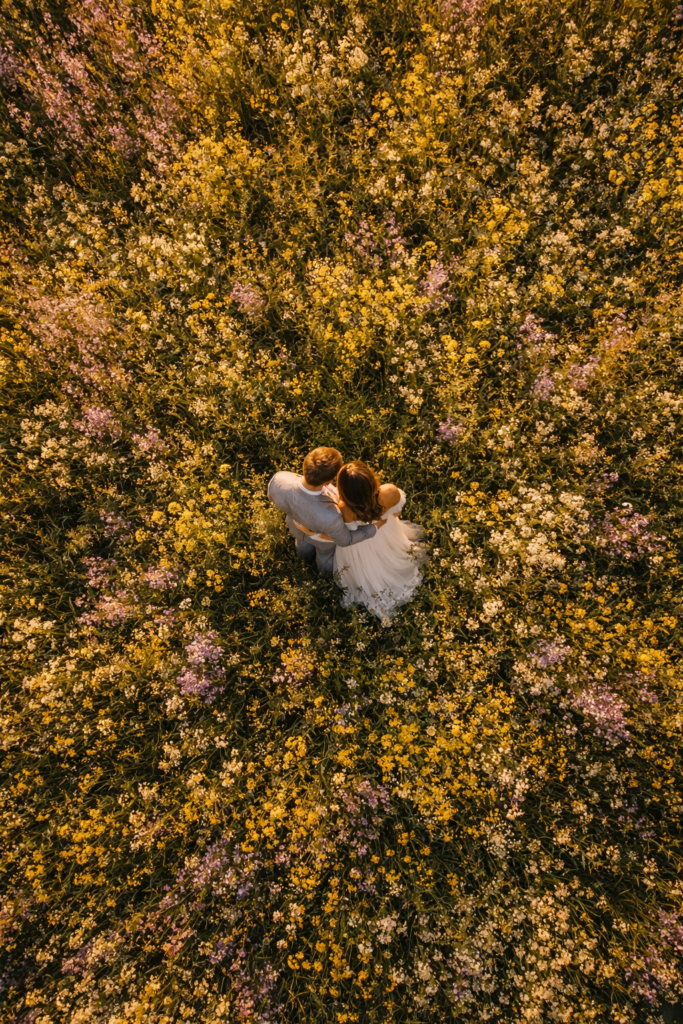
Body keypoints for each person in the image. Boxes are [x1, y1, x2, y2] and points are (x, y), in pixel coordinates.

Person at [295, 461, 428, 621]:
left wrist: (310, 532)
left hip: (360, 544)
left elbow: (350, 532)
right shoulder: (390, 491)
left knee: (365, 571)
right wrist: (380, 521)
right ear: (371, 479)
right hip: (386, 531)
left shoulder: (345, 507)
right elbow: (397, 512)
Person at [267, 447, 381, 575]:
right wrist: (375, 527)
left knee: (302, 545)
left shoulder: (279, 479)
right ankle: (324, 574)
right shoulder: (332, 516)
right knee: (325, 558)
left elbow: (273, 497)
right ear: (328, 481)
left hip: (295, 527)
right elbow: (345, 540)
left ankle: (302, 556)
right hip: (322, 542)